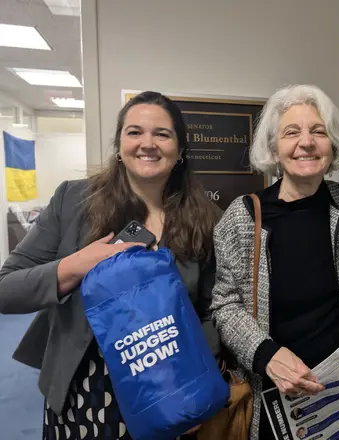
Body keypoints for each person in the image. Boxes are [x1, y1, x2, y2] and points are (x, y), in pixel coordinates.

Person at [0, 91, 221, 440]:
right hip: (84, 389)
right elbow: (5, 289)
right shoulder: (73, 201)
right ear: (119, 144)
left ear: (180, 151)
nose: (147, 143)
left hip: (166, 393)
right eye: (134, 132)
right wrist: (72, 267)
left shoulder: (206, 221)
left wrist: (195, 383)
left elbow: (211, 311)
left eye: (162, 134)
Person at [211, 84, 339, 440]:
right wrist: (265, 355)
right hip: (275, 398)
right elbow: (224, 304)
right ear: (274, 147)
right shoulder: (243, 216)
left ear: (331, 145)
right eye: (291, 132)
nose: (307, 142)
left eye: (319, 131)